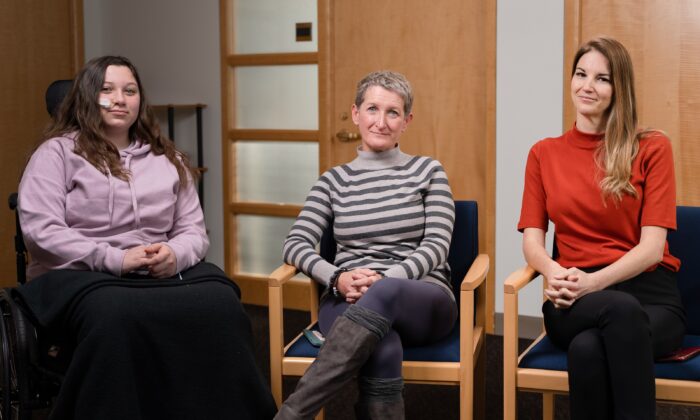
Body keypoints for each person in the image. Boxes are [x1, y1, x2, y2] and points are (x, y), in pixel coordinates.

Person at [16, 56, 276, 420]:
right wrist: (116, 259)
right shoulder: (56, 153)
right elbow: (41, 232)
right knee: (116, 315)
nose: (120, 99)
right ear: (88, 97)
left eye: (130, 90)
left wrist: (173, 254)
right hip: (79, 273)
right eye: (107, 90)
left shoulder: (168, 157)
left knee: (221, 303)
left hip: (155, 270)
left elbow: (193, 231)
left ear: (141, 100)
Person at [518, 36, 686, 420]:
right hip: (573, 298)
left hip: (649, 295)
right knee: (614, 315)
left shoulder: (652, 147)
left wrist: (595, 283)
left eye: (602, 78)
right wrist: (554, 272)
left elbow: (652, 249)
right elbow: (533, 241)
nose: (587, 86)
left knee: (587, 349)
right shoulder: (544, 153)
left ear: (618, 88)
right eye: (581, 74)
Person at [275, 70, 456, 420]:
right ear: (356, 114)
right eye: (372, 109)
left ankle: (291, 414)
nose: (382, 121)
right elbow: (295, 244)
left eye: (393, 112)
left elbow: (437, 245)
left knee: (385, 293)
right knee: (383, 348)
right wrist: (338, 277)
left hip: (420, 297)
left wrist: (384, 279)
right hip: (349, 294)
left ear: (407, 121)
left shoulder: (428, 171)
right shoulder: (333, 181)